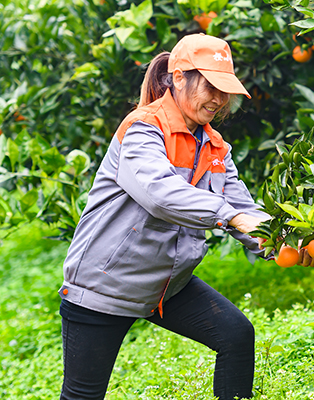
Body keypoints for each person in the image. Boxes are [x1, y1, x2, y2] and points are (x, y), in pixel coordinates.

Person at [58, 33, 271, 400]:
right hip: (104, 286)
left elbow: (242, 207)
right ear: (178, 77)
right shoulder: (142, 128)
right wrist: (229, 217)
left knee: (236, 336)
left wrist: (282, 237)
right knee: (82, 395)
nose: (219, 100)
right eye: (210, 86)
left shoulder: (215, 145)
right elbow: (160, 195)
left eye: (225, 90)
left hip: (167, 285)